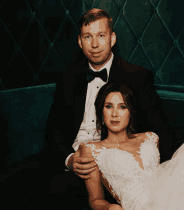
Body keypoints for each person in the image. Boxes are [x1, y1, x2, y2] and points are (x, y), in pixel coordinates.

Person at [1, 8, 173, 209]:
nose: (94, 44)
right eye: (87, 37)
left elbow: (160, 132)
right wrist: (70, 159)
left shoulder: (137, 76)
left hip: (107, 165)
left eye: (101, 36)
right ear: (79, 42)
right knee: (8, 179)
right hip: (70, 157)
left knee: (56, 192)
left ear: (113, 38)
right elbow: (53, 130)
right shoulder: (68, 76)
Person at [80, 82, 184, 210]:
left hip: (169, 190)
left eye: (123, 107)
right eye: (108, 106)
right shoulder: (92, 150)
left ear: (130, 113)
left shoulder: (150, 138)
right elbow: (95, 200)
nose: (115, 114)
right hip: (142, 205)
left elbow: (160, 173)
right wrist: (110, 207)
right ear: (101, 111)